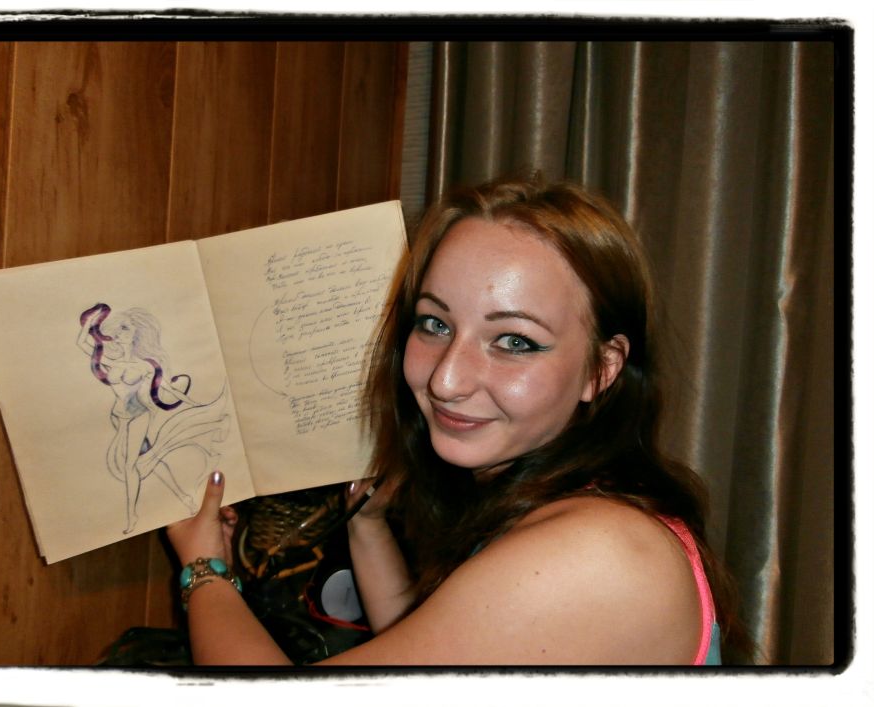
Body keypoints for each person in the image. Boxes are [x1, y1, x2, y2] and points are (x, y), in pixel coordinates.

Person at [166, 173, 748, 665]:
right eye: (435, 324)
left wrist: (204, 570)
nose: (446, 380)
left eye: (515, 341)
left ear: (603, 367)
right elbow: (447, 642)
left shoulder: (593, 553)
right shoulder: (578, 505)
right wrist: (367, 527)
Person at [78, 304, 230, 534]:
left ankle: (132, 516)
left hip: (138, 416)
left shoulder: (145, 366)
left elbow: (168, 388)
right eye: (119, 329)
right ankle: (184, 496)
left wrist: (194, 403)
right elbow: (82, 343)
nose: (119, 333)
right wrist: (90, 324)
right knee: (151, 461)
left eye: (125, 329)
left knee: (129, 466)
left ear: (135, 335)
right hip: (118, 418)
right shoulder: (111, 360)